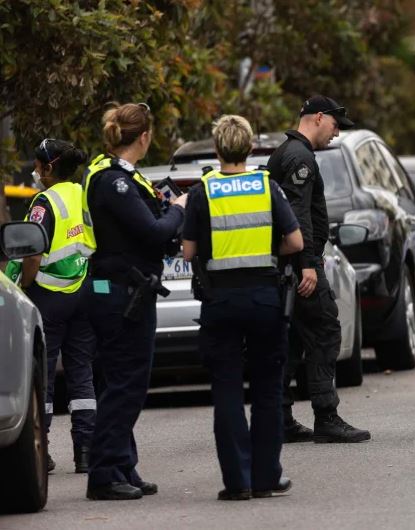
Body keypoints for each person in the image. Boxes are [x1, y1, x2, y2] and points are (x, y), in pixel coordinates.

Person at [182, 115, 302, 500]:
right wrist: (267, 253)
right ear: (250, 148)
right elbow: (296, 242)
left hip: (220, 301)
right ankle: (266, 478)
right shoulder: (268, 186)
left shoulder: (203, 191)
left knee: (228, 389)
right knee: (267, 389)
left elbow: (188, 251)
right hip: (265, 299)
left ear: (217, 150)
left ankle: (238, 482)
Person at [82, 102, 187, 501]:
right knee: (125, 385)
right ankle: (104, 473)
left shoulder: (122, 177)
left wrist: (168, 211)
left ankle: (122, 464)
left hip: (128, 290)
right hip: (119, 293)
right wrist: (178, 211)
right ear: (143, 136)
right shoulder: (115, 182)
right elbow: (154, 231)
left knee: (123, 383)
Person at [267, 95, 370, 443]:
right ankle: (326, 415)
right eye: (335, 125)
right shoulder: (300, 158)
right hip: (299, 266)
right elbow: (298, 217)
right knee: (326, 331)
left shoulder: (287, 153)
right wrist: (308, 264)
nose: (337, 133)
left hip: (287, 266)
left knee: (294, 340)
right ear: (318, 117)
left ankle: (280, 419)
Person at [6, 139, 96, 474]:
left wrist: (25, 285)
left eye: (37, 165)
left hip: (48, 297)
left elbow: (32, 253)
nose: (35, 171)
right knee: (82, 374)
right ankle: (85, 452)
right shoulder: (82, 193)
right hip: (83, 294)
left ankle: (39, 452)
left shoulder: (44, 203)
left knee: (41, 378)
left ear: (47, 168)